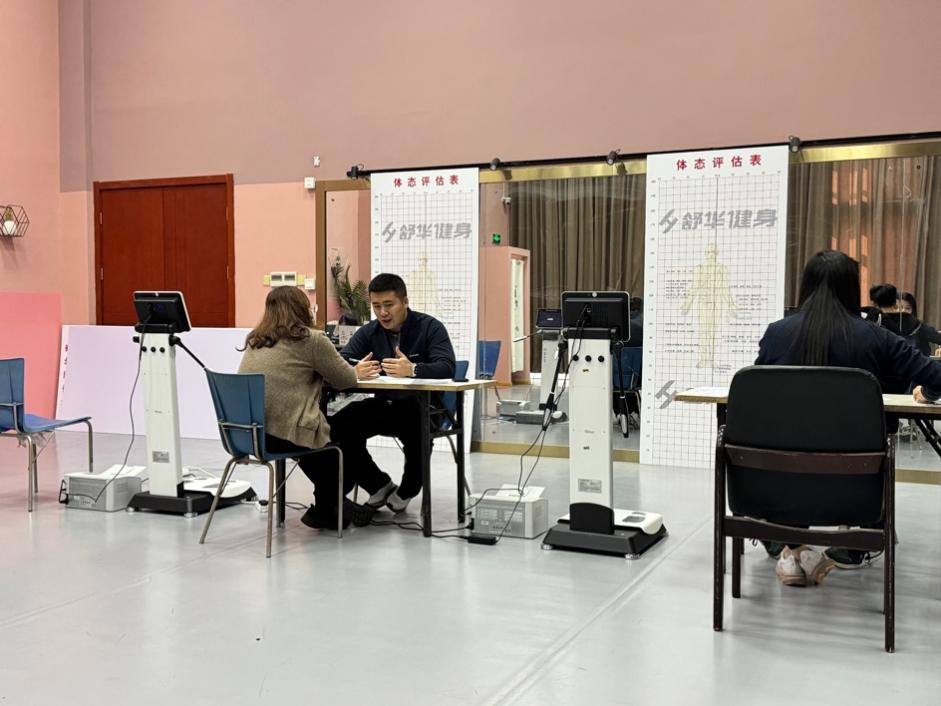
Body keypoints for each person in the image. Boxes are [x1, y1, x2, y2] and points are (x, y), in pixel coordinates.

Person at [755, 251, 941, 585]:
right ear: (852, 290)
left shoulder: (776, 334)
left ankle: (785, 537)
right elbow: (936, 376)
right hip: (856, 484)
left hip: (783, 478)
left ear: (805, 286)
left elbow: (757, 395)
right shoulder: (878, 337)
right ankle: (859, 543)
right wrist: (927, 392)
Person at [237, 286, 376, 529]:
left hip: (247, 434)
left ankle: (328, 507)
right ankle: (328, 508)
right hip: (283, 434)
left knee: (322, 451)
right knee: (342, 448)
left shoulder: (256, 340)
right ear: (304, 310)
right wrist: (357, 371)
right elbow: (345, 380)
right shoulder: (311, 340)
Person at [330, 273, 456, 514]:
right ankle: (378, 484)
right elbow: (341, 361)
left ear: (405, 301)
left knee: (416, 423)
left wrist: (413, 369)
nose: (383, 313)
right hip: (385, 406)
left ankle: (408, 489)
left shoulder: (430, 327)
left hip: (424, 407)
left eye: (389, 305)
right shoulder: (369, 331)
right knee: (338, 424)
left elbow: (447, 366)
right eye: (376, 306)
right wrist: (354, 371)